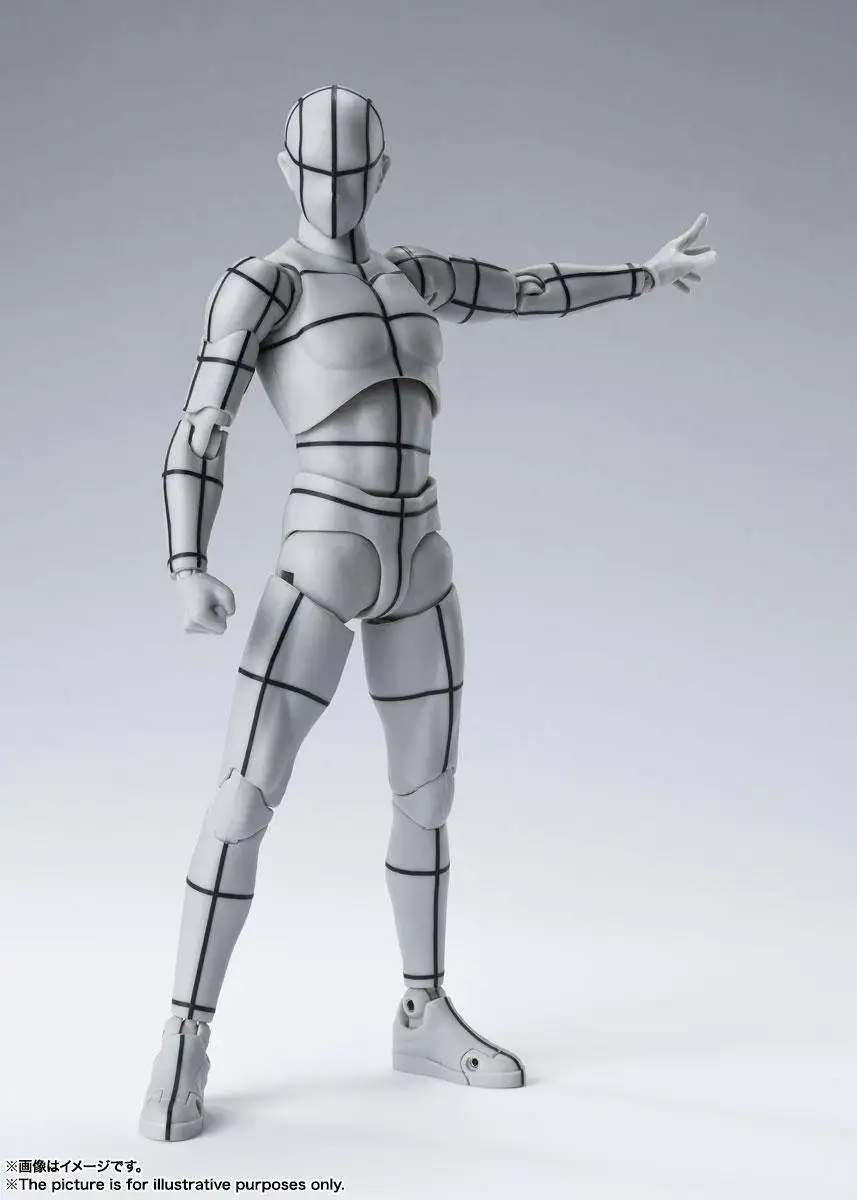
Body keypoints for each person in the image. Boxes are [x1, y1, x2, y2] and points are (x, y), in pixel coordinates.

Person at [141, 83, 717, 1141]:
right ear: (286, 170)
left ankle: (423, 1011)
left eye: (353, 170)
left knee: (428, 795)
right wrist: (187, 562)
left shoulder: (412, 275)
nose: (334, 190)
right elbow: (200, 425)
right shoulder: (263, 284)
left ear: (382, 171)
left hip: (421, 554)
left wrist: (646, 272)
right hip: (323, 551)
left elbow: (523, 291)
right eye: (318, 171)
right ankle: (185, 1031)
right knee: (244, 796)